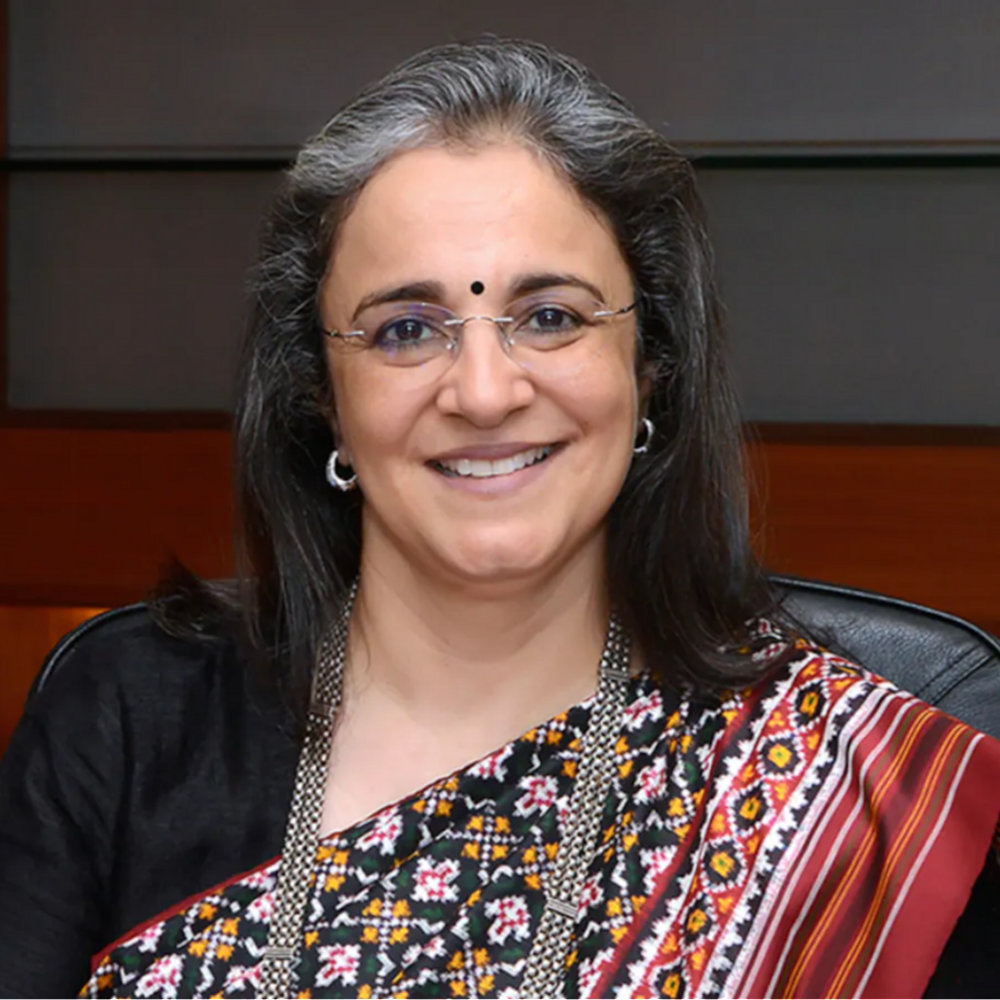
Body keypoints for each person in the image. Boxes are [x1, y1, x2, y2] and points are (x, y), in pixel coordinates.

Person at [1, 37, 998, 1000]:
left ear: (651, 361)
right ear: (321, 391)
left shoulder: (866, 783)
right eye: (406, 330)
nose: (483, 393)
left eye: (550, 317)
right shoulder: (133, 718)